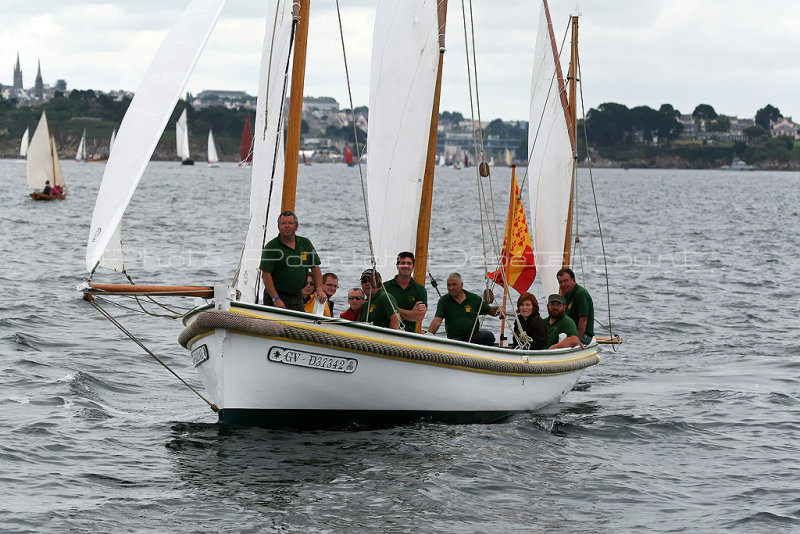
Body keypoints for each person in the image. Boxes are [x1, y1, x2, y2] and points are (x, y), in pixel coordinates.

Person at [260, 210, 325, 312]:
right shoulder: (271, 247)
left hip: (297, 297)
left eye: (290, 223)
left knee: (300, 326)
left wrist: (319, 289)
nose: (287, 226)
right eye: (283, 223)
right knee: (275, 327)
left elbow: (315, 267)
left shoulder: (305, 243)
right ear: (278, 227)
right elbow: (265, 275)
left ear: (296, 226)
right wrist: (276, 298)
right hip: (276, 297)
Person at [425, 273, 503, 346]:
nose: (451, 288)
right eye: (449, 285)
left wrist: (500, 310)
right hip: (455, 339)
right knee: (456, 343)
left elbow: (491, 311)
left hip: (474, 337)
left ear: (461, 285)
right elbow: (437, 320)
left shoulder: (474, 299)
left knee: (489, 336)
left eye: (454, 285)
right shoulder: (444, 301)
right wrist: (429, 334)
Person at [384, 251, 427, 333]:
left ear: (413, 266)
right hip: (388, 333)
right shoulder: (385, 287)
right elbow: (382, 313)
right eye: (403, 263)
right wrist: (411, 313)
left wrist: (393, 310)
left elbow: (419, 317)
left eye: (409, 263)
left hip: (410, 335)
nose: (406, 266)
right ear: (397, 266)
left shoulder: (420, 289)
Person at [557, 268, 595, 344]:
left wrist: (578, 341)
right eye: (560, 282)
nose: (563, 284)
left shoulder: (581, 294)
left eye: (566, 281)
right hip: (569, 334)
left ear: (573, 280)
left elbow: (583, 320)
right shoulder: (565, 296)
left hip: (583, 336)